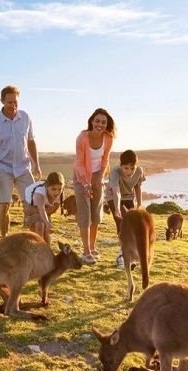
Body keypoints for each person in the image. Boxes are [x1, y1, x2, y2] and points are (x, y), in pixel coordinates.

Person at [0, 85, 42, 238]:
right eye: (9, 103)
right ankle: (4, 239)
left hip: (23, 167)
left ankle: (33, 239)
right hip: (2, 168)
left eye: (16, 102)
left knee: (31, 205)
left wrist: (36, 165)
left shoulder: (25, 117)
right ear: (2, 101)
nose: (13, 106)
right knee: (4, 205)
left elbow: (31, 142)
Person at [73, 108, 114, 264]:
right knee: (85, 212)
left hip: (97, 174)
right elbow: (79, 163)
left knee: (96, 211)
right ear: (91, 121)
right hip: (80, 175)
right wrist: (85, 183)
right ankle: (85, 251)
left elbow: (105, 160)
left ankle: (92, 245)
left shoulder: (108, 138)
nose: (100, 124)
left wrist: (100, 177)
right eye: (97, 121)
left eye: (103, 122)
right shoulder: (82, 138)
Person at [106, 149, 146, 269]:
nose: (129, 172)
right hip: (113, 198)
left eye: (132, 168)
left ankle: (130, 255)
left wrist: (139, 206)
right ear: (120, 166)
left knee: (133, 227)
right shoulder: (114, 173)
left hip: (129, 197)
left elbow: (138, 188)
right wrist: (117, 209)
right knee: (122, 225)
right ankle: (121, 257)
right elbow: (116, 192)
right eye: (126, 168)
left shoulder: (139, 171)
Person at [23, 172, 64, 243]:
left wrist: (47, 221)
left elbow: (54, 209)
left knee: (46, 232)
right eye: (54, 189)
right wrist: (47, 223)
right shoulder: (39, 193)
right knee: (40, 225)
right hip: (31, 204)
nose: (57, 193)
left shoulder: (60, 193)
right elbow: (36, 209)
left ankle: (47, 250)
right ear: (47, 186)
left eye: (59, 189)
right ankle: (40, 248)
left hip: (41, 207)